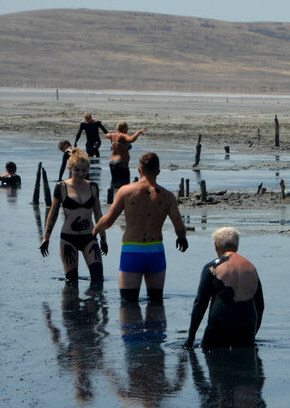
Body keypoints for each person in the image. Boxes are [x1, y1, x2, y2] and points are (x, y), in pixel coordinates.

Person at [91, 151, 188, 303]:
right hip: (156, 250)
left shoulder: (126, 191)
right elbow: (180, 227)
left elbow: (108, 221)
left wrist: (95, 229)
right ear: (158, 172)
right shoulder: (167, 196)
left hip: (132, 250)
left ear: (139, 170)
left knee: (128, 304)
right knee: (156, 302)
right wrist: (182, 238)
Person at [184, 226, 265, 349]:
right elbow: (260, 305)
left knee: (215, 362)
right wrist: (253, 332)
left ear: (216, 246)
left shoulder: (212, 268)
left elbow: (200, 303)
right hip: (247, 327)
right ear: (237, 246)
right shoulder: (250, 268)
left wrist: (191, 337)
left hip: (219, 326)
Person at [40, 149, 108, 282]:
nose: (80, 173)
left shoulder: (92, 187)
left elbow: (98, 214)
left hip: (90, 237)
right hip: (68, 239)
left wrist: (103, 238)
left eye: (84, 170)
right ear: (70, 168)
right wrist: (45, 238)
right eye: (77, 170)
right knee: (71, 282)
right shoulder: (61, 187)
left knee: (98, 278)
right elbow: (52, 214)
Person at [106, 121, 145, 202]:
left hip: (111, 162)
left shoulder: (113, 135)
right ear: (124, 128)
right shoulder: (123, 135)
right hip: (121, 162)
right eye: (127, 128)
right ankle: (123, 200)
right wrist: (138, 132)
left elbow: (107, 135)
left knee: (114, 180)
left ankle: (110, 200)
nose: (127, 130)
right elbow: (131, 139)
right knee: (125, 183)